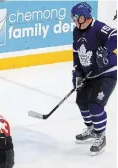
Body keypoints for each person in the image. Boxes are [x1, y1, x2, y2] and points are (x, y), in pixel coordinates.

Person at [71, 2, 117, 156]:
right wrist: (77, 72)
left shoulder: (99, 28)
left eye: (76, 17)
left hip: (106, 74)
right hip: (88, 75)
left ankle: (101, 136)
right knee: (81, 102)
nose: (74, 20)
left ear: (84, 17)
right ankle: (91, 129)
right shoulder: (76, 31)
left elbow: (115, 36)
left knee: (95, 105)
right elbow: (76, 53)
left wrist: (105, 50)